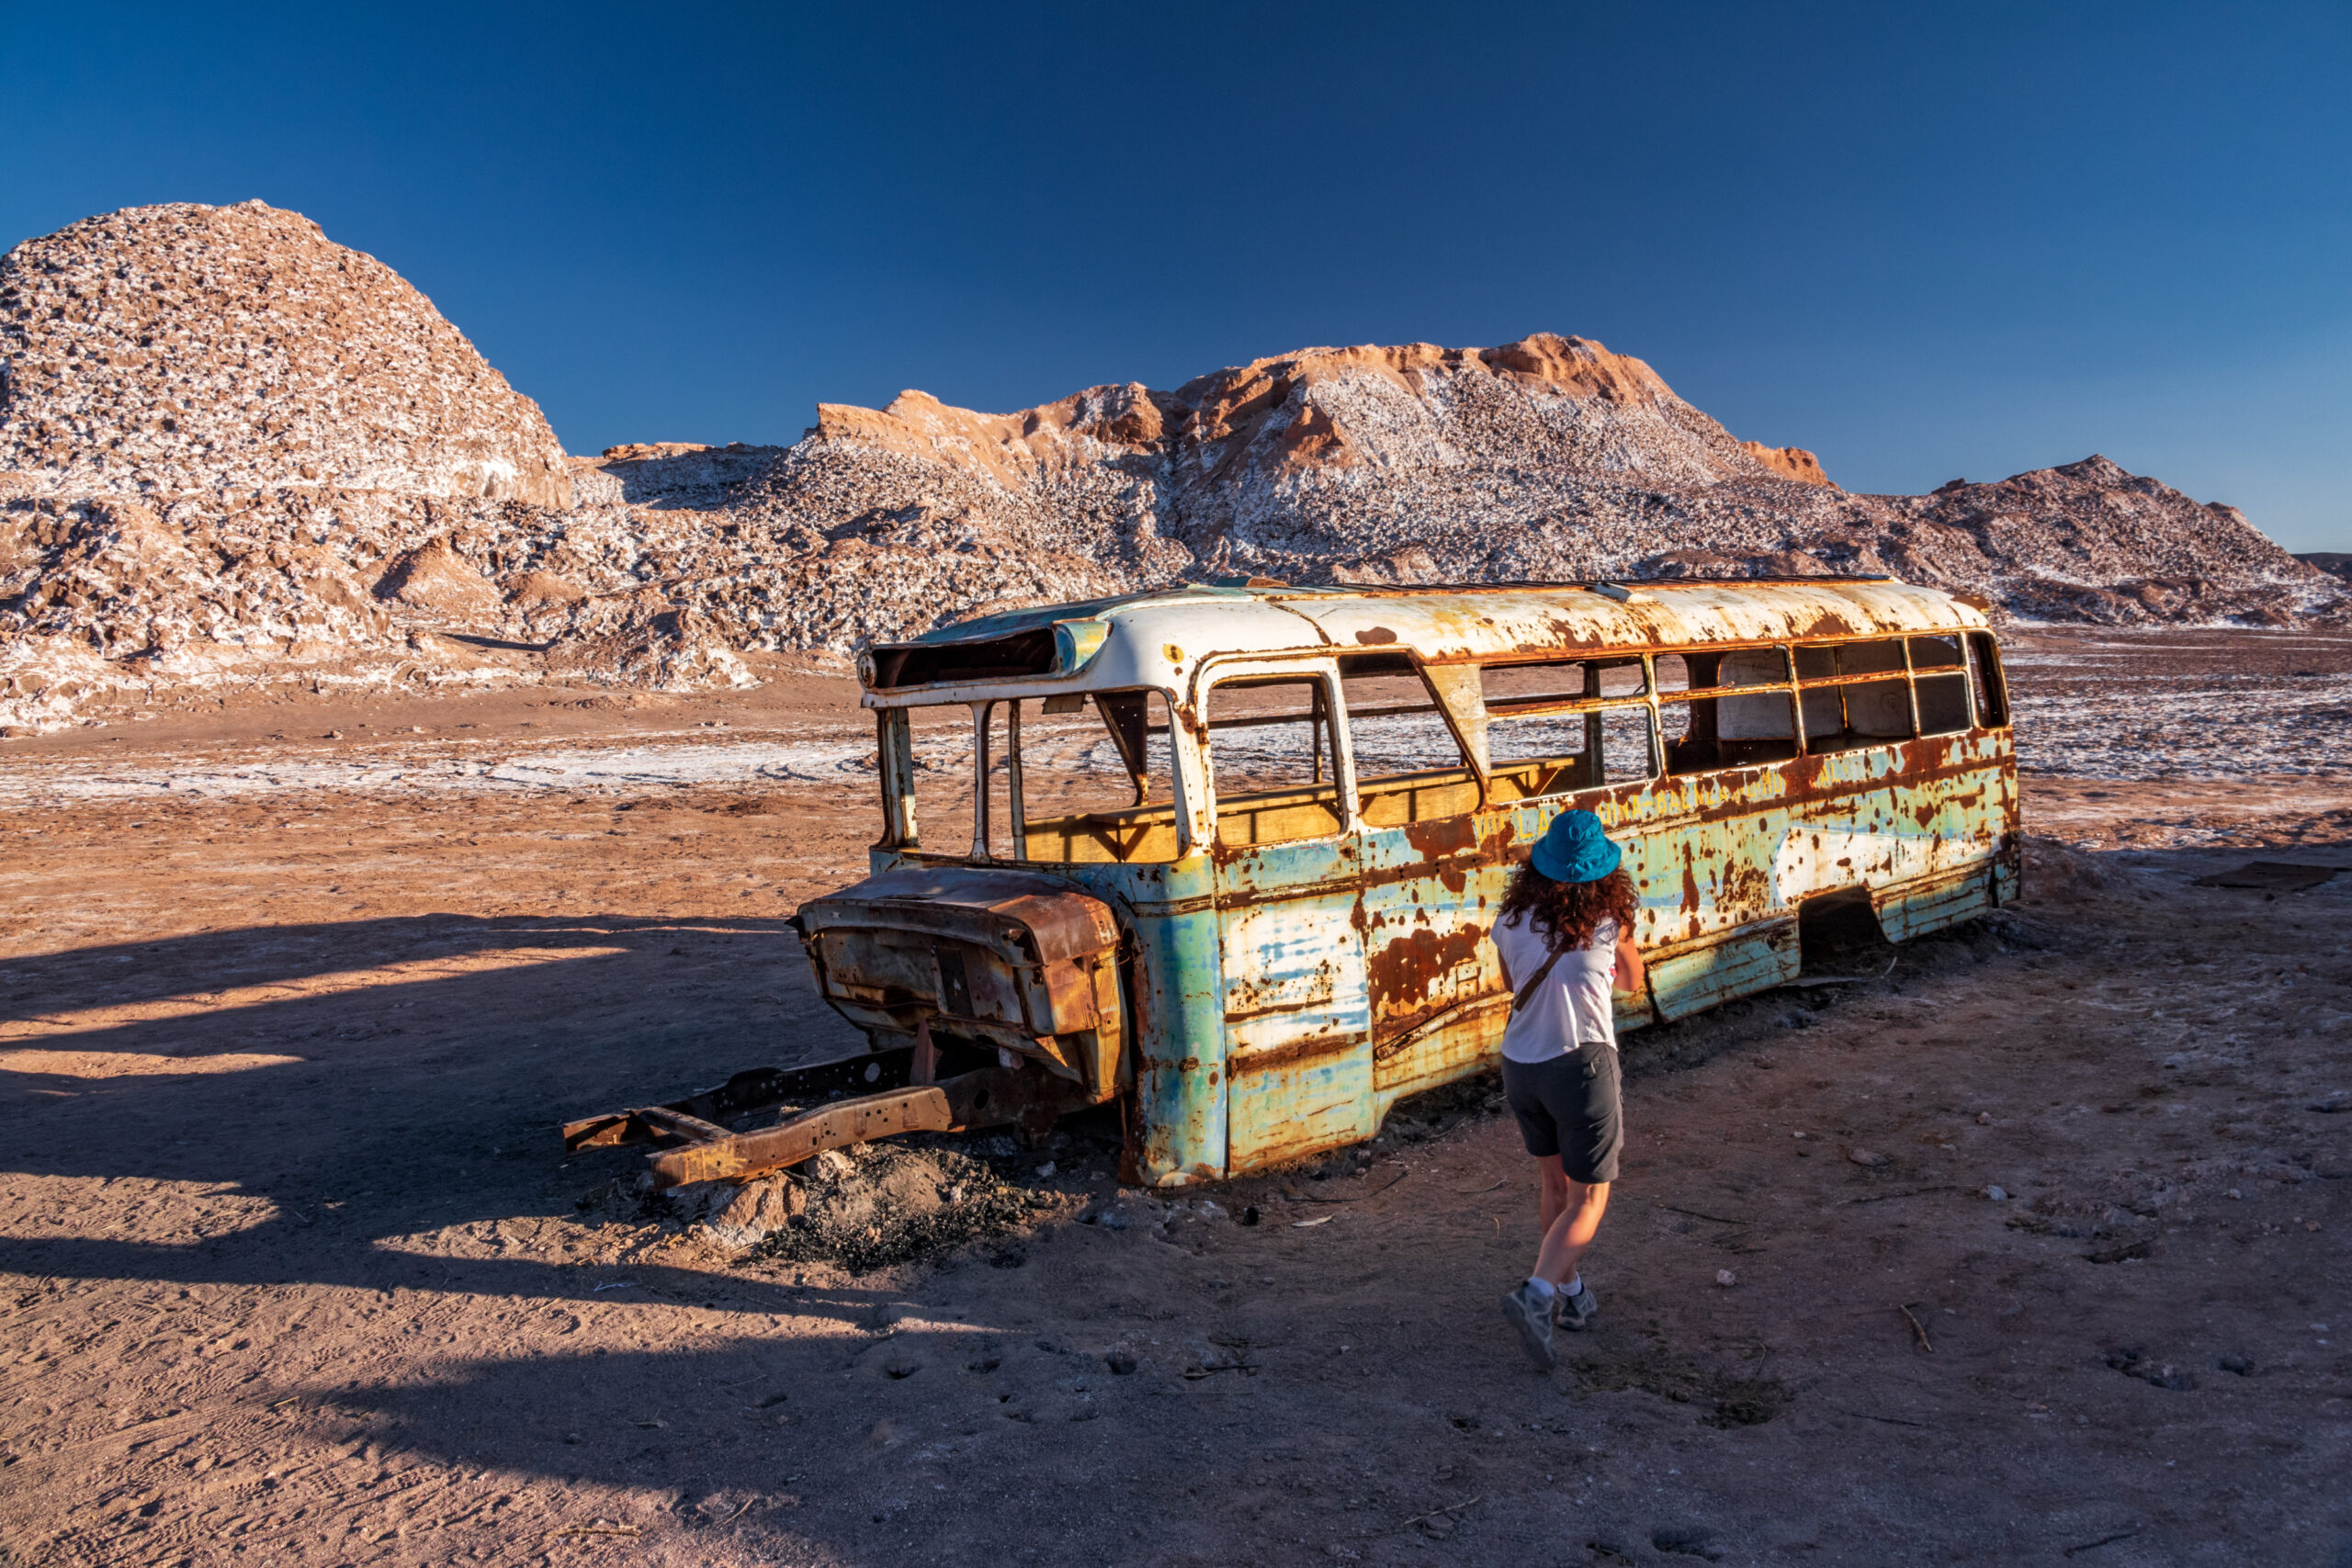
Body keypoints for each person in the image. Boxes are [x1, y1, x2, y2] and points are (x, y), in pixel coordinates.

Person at [1491, 807, 1644, 1371]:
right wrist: (1619, 938)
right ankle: (1535, 1296)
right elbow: (1630, 982)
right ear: (1602, 872)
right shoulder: (1609, 922)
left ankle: (1572, 1297)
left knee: (1554, 1187)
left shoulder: (1508, 922)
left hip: (1521, 1065)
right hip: (1580, 1066)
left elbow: (1513, 986)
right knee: (1589, 1199)